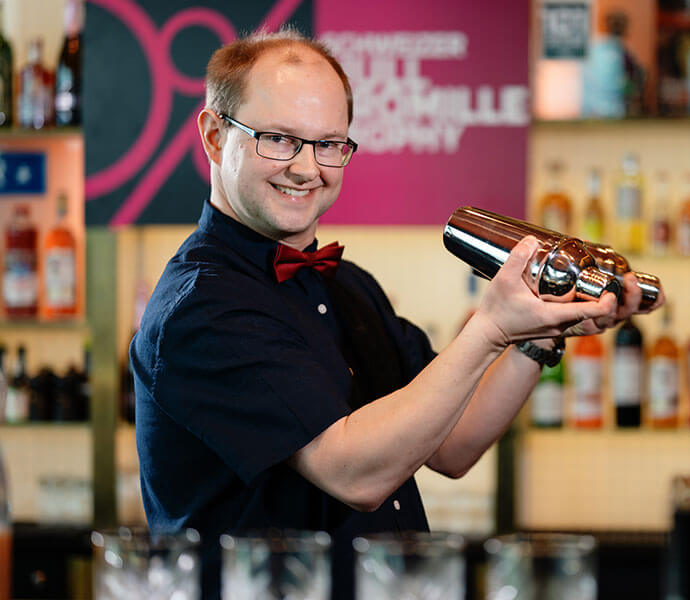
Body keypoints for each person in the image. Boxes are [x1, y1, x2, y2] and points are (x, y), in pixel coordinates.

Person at [130, 27, 662, 600]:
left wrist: (541, 332)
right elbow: (353, 474)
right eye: (279, 139)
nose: (307, 168)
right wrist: (489, 328)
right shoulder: (201, 307)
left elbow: (455, 444)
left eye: (329, 143)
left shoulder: (347, 286)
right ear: (215, 137)